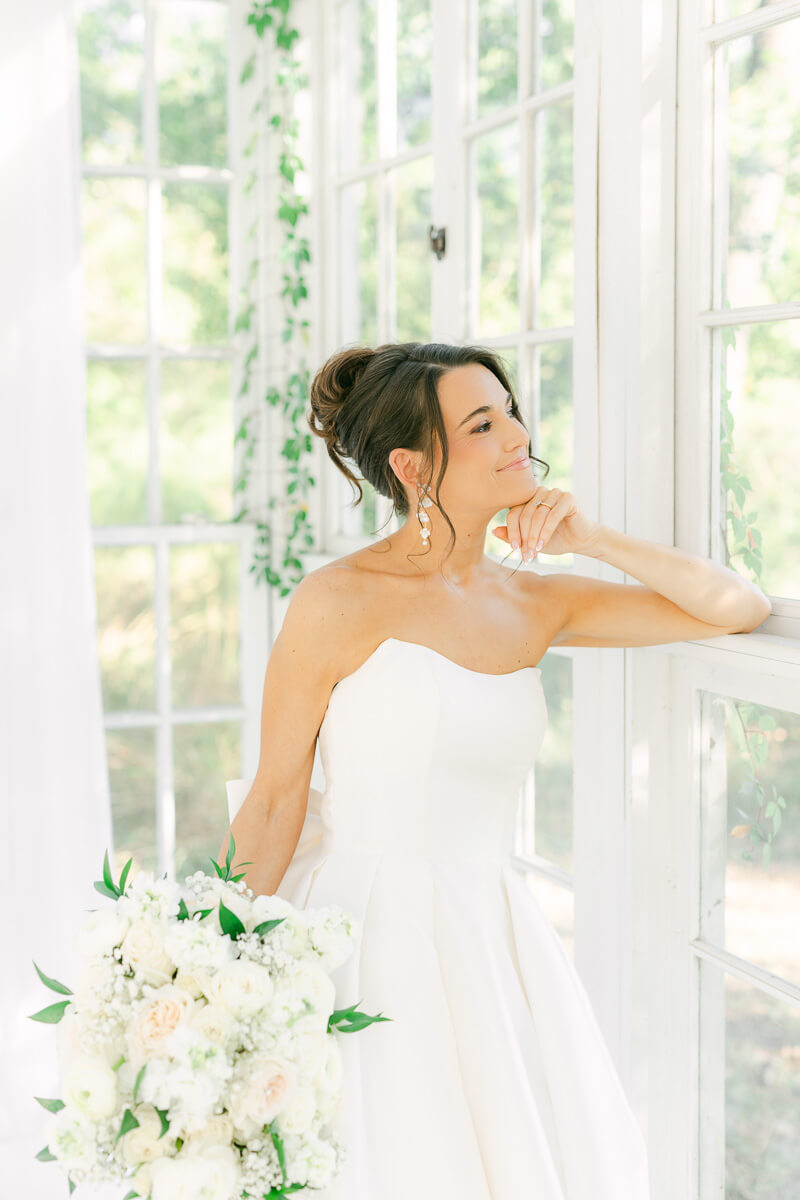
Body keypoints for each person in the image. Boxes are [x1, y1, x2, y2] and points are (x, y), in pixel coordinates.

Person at [221, 341, 770, 1199]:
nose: (516, 433)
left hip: (491, 933)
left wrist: (587, 535)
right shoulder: (337, 599)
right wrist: (222, 968)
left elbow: (737, 608)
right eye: (482, 423)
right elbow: (276, 797)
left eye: (509, 410)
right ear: (412, 465)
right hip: (363, 934)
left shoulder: (535, 601)